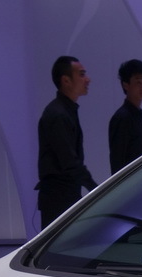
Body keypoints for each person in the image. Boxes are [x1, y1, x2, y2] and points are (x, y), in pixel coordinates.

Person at [37, 55, 97, 227]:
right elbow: (69, 161)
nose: (87, 79)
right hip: (59, 199)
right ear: (66, 80)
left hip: (64, 197)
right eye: (82, 74)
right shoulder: (58, 114)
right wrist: (94, 188)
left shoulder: (64, 111)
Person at [108, 59, 142, 174]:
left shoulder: (138, 115)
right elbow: (117, 164)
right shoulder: (122, 118)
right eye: (138, 82)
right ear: (126, 85)